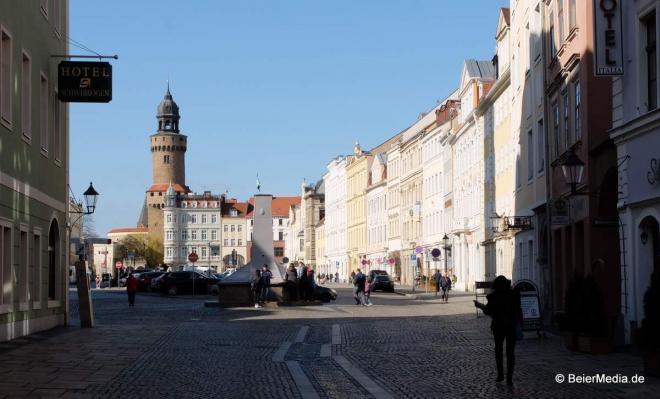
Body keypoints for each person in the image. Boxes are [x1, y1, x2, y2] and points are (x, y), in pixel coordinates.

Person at [474, 275, 523, 386]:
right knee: (510, 353)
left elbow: (488, 311)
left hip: (498, 326)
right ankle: (509, 378)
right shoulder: (513, 295)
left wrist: (479, 305)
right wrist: (521, 324)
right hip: (511, 326)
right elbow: (519, 310)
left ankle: (500, 374)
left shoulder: (493, 296)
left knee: (499, 351)